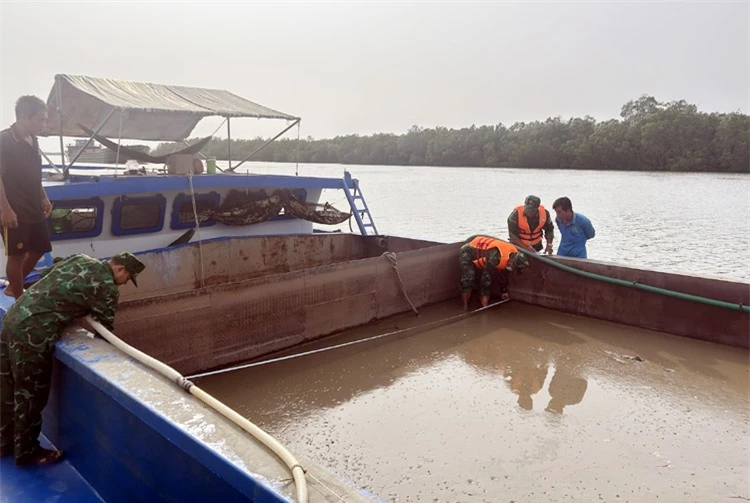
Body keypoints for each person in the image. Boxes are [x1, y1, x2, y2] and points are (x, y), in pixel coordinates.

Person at [0, 252, 145, 466]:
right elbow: (104, 330)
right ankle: (27, 453)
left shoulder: (80, 258)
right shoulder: (107, 287)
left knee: (6, 387)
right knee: (30, 396)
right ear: (120, 269)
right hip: (34, 333)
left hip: (12, 318)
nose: (124, 284)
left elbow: (48, 274)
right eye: (127, 278)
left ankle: (3, 443)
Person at [0, 96, 53, 298]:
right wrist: (5, 209)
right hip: (13, 206)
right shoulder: (4, 140)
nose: (44, 124)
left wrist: (44, 196)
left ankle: (14, 285)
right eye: (40, 119)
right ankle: (18, 296)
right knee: (17, 254)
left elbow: (34, 174)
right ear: (24, 117)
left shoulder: (34, 141)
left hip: (33, 204)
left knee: (40, 247)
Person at [459, 235, 529, 310]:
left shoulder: (512, 254)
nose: (513, 269)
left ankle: (480, 303)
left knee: (483, 280)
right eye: (514, 267)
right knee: (469, 278)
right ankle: (465, 306)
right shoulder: (495, 257)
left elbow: (503, 274)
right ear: (512, 261)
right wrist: (484, 307)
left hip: (484, 257)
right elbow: (485, 280)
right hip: (467, 253)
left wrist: (503, 291)